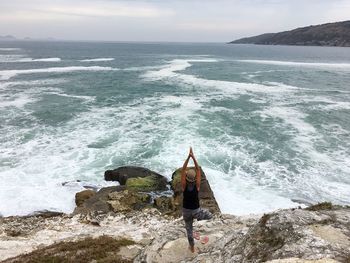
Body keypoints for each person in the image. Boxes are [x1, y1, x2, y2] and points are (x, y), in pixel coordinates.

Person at [181, 147, 212, 253]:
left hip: (186, 211)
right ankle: (200, 222)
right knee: (209, 215)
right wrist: (193, 156)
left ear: (186, 177)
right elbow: (198, 169)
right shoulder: (197, 185)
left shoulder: (183, 185)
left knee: (189, 230)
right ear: (194, 179)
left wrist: (187, 157)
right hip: (196, 211)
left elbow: (183, 169)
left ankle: (192, 247)